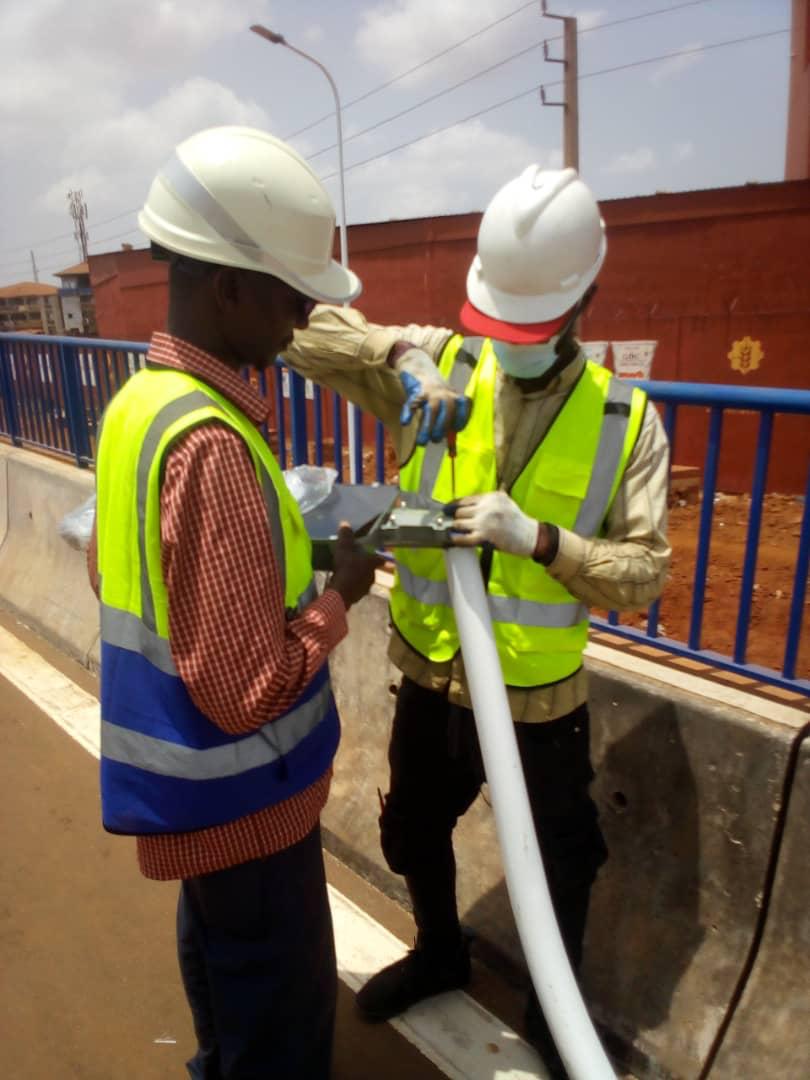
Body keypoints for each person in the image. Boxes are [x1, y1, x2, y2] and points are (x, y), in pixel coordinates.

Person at [282, 165, 671, 1077]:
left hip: (537, 704)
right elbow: (297, 330)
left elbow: (644, 574)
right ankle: (439, 952)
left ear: (584, 303)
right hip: (429, 672)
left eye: (530, 328)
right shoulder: (449, 364)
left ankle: (550, 1022)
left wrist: (541, 539)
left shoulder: (626, 422)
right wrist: (399, 360)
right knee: (413, 829)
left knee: (559, 869)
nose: (509, 344)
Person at [89, 126, 387, 1080]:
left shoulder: (140, 404)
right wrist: (337, 596)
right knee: (282, 1020)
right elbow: (244, 687)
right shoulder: (213, 444)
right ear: (226, 287)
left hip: (191, 799)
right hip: (245, 797)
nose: (302, 316)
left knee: (221, 965)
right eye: (290, 294)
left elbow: (109, 567)